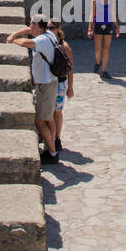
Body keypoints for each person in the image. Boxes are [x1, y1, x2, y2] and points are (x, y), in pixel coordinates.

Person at [6, 17, 62, 163]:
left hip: (46, 85)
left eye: (32, 23)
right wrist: (14, 34)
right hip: (49, 82)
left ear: (38, 26)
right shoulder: (49, 34)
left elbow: (26, 42)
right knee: (48, 117)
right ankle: (52, 145)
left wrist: (15, 41)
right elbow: (27, 31)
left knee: (39, 121)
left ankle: (52, 153)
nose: (29, 26)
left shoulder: (41, 40)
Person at [49, 20, 73, 153]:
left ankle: (57, 138)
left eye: (52, 27)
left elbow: (71, 68)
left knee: (57, 112)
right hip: (48, 82)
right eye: (47, 27)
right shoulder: (47, 42)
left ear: (58, 28)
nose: (49, 29)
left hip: (60, 83)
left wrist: (70, 87)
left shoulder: (65, 46)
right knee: (48, 111)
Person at [88, 0, 116, 78]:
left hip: (108, 25)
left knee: (107, 48)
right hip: (98, 25)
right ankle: (98, 62)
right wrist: (89, 28)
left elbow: (113, 14)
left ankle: (103, 71)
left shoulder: (111, 0)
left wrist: (117, 27)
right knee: (97, 48)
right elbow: (91, 15)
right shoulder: (95, 1)